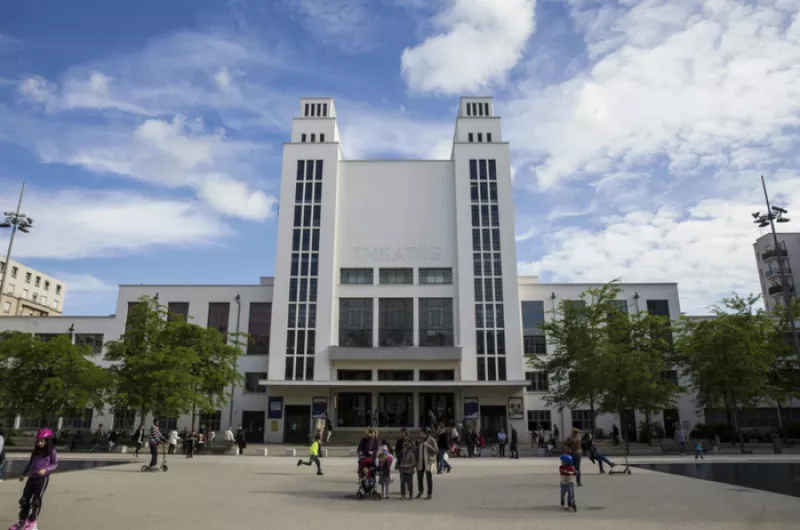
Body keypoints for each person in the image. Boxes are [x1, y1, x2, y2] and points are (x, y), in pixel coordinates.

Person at [10, 428, 59, 530]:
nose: (40, 443)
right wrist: (23, 474)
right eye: (38, 441)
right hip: (31, 477)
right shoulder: (35, 451)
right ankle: (22, 521)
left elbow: (55, 464)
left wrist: (45, 469)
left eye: (42, 441)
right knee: (24, 499)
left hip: (42, 479)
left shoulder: (52, 451)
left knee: (36, 500)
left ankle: (32, 522)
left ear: (47, 441)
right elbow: (30, 463)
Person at [415, 428, 438, 500]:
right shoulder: (420, 440)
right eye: (420, 433)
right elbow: (417, 450)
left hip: (429, 462)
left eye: (422, 433)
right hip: (420, 462)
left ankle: (429, 493)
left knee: (429, 478)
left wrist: (428, 446)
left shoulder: (432, 440)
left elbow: (436, 451)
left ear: (426, 433)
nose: (421, 434)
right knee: (419, 478)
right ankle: (420, 491)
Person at [398, 434, 417, 499]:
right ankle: (403, 495)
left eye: (405, 447)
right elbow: (401, 460)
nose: (404, 448)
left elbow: (413, 463)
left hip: (409, 471)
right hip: (403, 470)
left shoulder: (412, 454)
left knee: (409, 484)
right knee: (402, 484)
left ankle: (410, 495)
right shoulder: (403, 453)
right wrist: (401, 464)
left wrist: (407, 465)